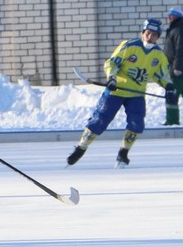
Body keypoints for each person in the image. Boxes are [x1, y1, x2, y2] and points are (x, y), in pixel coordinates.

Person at [66, 18, 176, 168]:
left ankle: (123, 153)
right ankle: (81, 147)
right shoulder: (129, 46)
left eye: (154, 35)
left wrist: (169, 87)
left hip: (136, 94)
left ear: (158, 37)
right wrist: (112, 78)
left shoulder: (159, 55)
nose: (150, 37)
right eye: (148, 33)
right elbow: (111, 63)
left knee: (136, 124)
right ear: (143, 33)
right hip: (116, 91)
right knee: (100, 120)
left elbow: (161, 75)